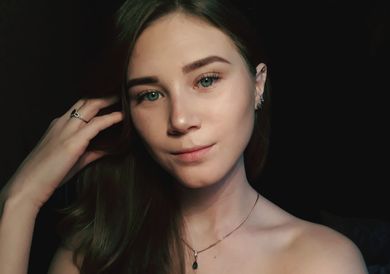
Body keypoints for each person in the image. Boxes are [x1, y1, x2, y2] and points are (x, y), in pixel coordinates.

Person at [0, 0, 368, 273]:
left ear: (258, 85)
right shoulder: (90, 254)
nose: (179, 119)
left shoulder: (324, 261)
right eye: (150, 94)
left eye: (206, 80)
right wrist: (19, 201)